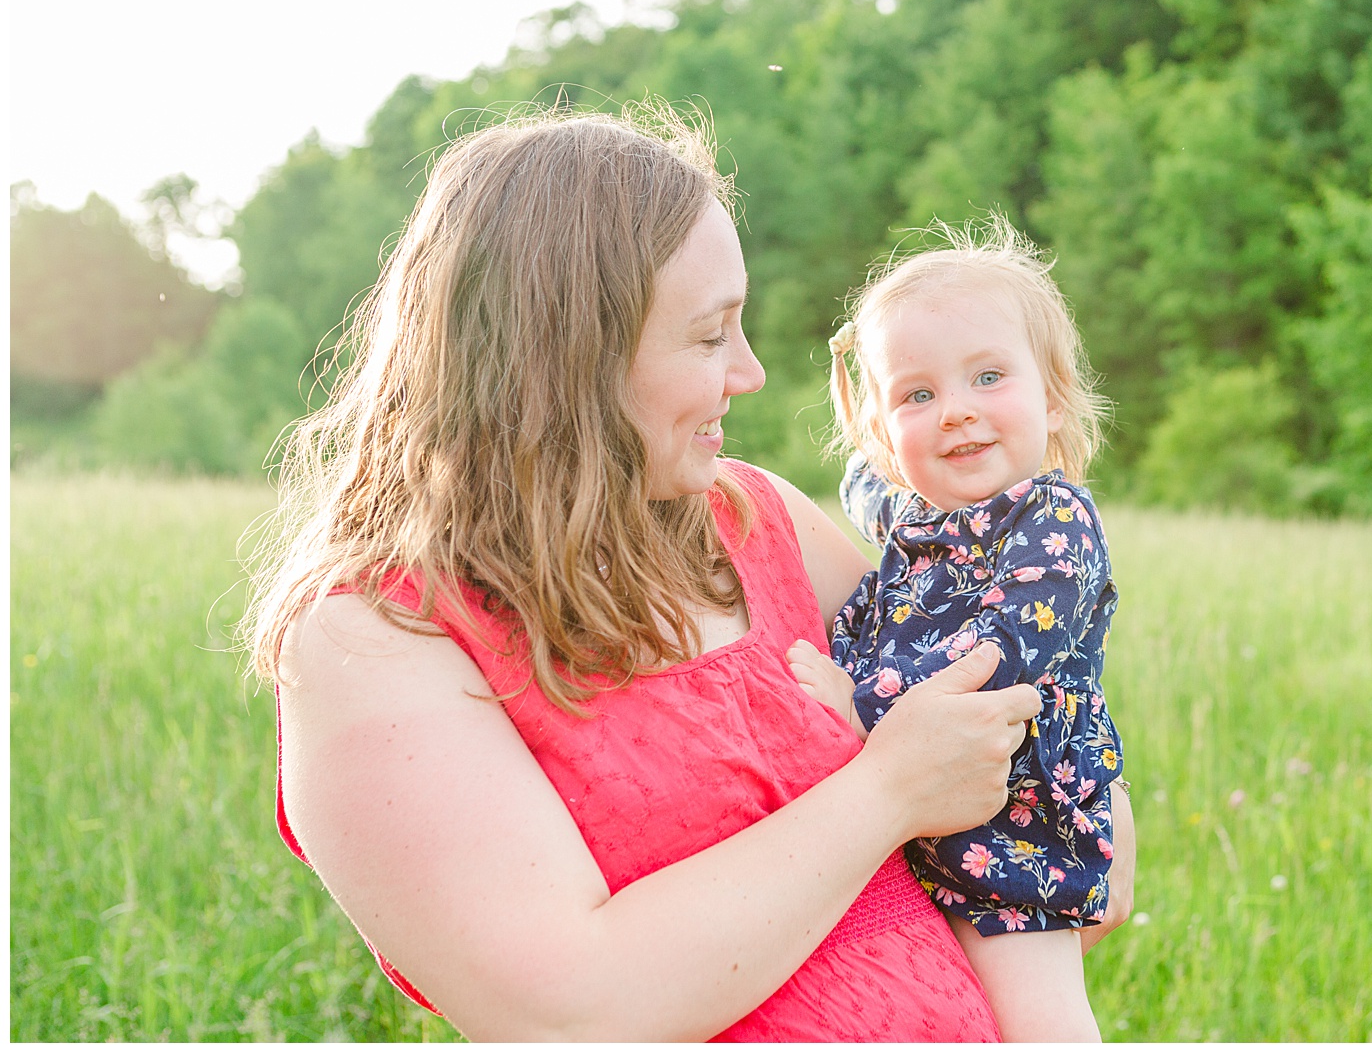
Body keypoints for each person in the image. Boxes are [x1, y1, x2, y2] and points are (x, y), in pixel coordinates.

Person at [240, 108, 1134, 1041]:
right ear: (568, 359)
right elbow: (569, 1012)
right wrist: (888, 792)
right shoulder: (376, 643)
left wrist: (1087, 805)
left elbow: (997, 717)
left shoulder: (755, 518)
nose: (748, 373)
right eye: (711, 337)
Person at [787, 220, 1123, 1042]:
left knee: (1035, 1020)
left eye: (987, 377)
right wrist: (856, 376)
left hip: (1019, 832)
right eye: (920, 394)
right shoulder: (921, 513)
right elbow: (867, 480)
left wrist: (854, 698)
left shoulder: (1055, 520)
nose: (957, 413)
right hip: (935, 823)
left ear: (1052, 395)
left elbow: (996, 658)